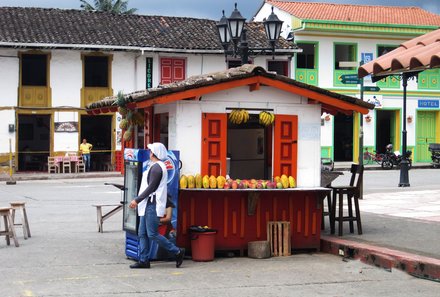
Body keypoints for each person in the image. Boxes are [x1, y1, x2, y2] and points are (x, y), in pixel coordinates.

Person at [129, 142, 184, 269]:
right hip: (148, 203)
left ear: (154, 153)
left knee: (152, 233)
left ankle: (177, 251)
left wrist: (137, 200)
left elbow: (151, 188)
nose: (149, 152)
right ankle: (144, 260)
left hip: (151, 204)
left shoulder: (157, 168)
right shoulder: (155, 166)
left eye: (150, 151)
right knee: (142, 232)